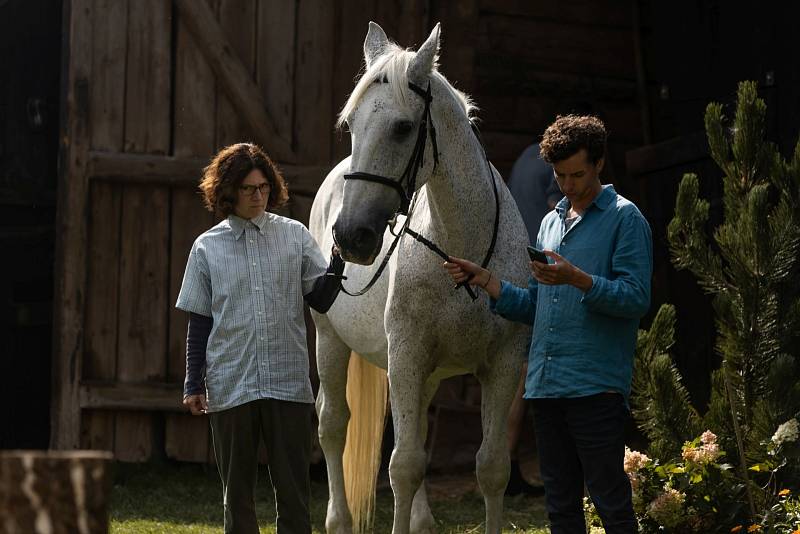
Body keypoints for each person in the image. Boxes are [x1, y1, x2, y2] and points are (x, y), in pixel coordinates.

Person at [443, 115, 652, 533]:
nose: (568, 184)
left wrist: (578, 279)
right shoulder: (550, 223)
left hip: (595, 386)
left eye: (577, 174)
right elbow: (538, 306)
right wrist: (486, 280)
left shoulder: (626, 220)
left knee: (611, 504)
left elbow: (635, 298)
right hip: (546, 385)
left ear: (599, 164)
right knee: (560, 507)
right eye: (560, 175)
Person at [176, 143, 344, 534]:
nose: (258, 196)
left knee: (294, 495)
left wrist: (338, 262)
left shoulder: (295, 236)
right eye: (249, 188)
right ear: (228, 191)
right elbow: (199, 320)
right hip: (231, 383)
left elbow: (319, 299)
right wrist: (192, 382)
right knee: (237, 498)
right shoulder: (206, 248)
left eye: (264, 187)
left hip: (287, 382)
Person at [504, 142, 562, 496]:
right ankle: (506, 464)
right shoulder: (555, 163)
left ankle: (506, 465)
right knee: (524, 371)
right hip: (539, 270)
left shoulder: (525, 156)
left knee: (517, 370)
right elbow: (565, 214)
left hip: (515, 265)